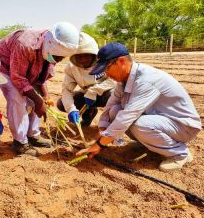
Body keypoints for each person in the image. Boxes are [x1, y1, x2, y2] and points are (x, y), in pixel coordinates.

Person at [77, 42, 202, 171]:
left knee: (138, 124)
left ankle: (180, 154)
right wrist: (103, 126)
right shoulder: (124, 79)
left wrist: (99, 145)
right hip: (162, 120)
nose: (107, 75)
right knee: (115, 111)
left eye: (107, 69)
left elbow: (127, 117)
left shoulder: (146, 80)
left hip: (183, 126)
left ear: (120, 61)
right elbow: (111, 104)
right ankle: (148, 144)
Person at [0, 22, 80, 156]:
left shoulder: (51, 50)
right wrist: (38, 101)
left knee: (36, 98)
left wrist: (45, 97)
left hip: (20, 68)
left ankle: (32, 134)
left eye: (62, 58)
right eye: (57, 57)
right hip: (3, 66)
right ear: (49, 45)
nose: (59, 60)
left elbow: (41, 76)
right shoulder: (25, 44)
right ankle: (19, 142)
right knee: (18, 98)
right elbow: (18, 78)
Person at [56, 32, 116, 127]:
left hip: (105, 94)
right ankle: (88, 114)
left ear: (93, 54)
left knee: (115, 96)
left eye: (86, 56)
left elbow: (114, 80)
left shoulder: (105, 62)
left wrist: (95, 90)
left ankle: (111, 124)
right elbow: (67, 90)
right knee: (61, 103)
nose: (83, 60)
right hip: (86, 96)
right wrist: (71, 109)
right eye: (79, 56)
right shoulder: (71, 67)